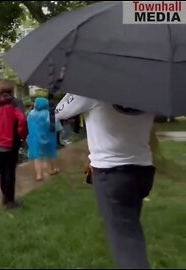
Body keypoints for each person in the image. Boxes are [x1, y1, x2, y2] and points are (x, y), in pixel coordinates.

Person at [55, 93, 155, 269]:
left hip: (112, 172)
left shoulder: (92, 88)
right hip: (143, 169)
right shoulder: (147, 86)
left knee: (126, 245)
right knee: (130, 230)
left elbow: (58, 112)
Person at [0, 81, 27, 208]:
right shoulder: (15, 104)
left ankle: (5, 198)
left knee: (3, 171)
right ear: (11, 91)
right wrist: (22, 136)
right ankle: (10, 200)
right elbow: (22, 120)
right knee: (10, 171)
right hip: (12, 142)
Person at [27, 97, 60, 182]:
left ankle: (39, 175)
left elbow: (28, 125)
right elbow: (55, 126)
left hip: (35, 139)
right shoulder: (49, 114)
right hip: (48, 137)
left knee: (37, 157)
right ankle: (52, 169)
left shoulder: (31, 114)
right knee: (51, 153)